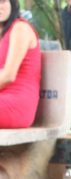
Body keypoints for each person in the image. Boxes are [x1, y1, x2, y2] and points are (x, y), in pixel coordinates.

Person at [0, 0, 40, 129]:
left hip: (17, 103)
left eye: (2, 1)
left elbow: (8, 76)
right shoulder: (3, 34)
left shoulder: (20, 28)